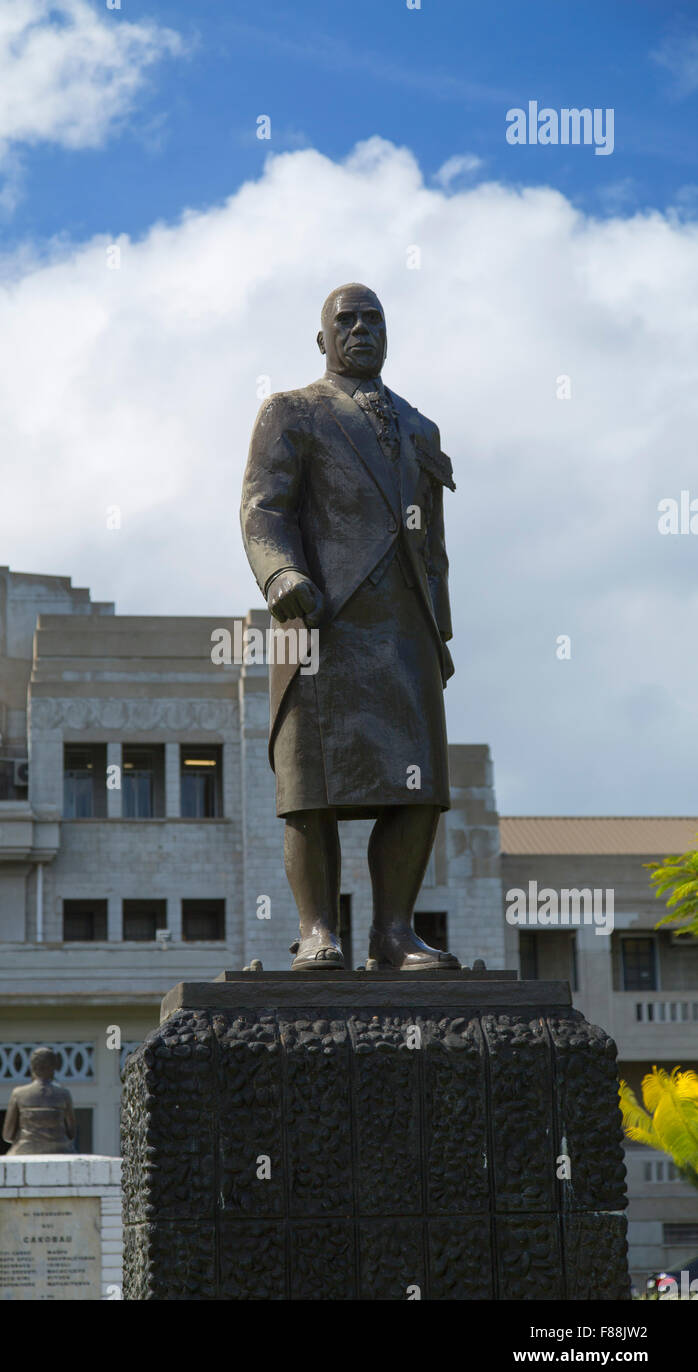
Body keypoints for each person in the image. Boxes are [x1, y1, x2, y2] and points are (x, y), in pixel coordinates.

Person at [241, 283, 461, 971]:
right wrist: (280, 575)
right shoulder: (292, 411)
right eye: (346, 320)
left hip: (405, 627)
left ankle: (394, 932)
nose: (361, 329)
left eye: (373, 319)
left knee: (418, 786)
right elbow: (264, 509)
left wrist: (441, 633)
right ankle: (318, 930)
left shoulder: (421, 428)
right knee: (311, 783)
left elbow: (435, 543)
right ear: (323, 340)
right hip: (320, 620)